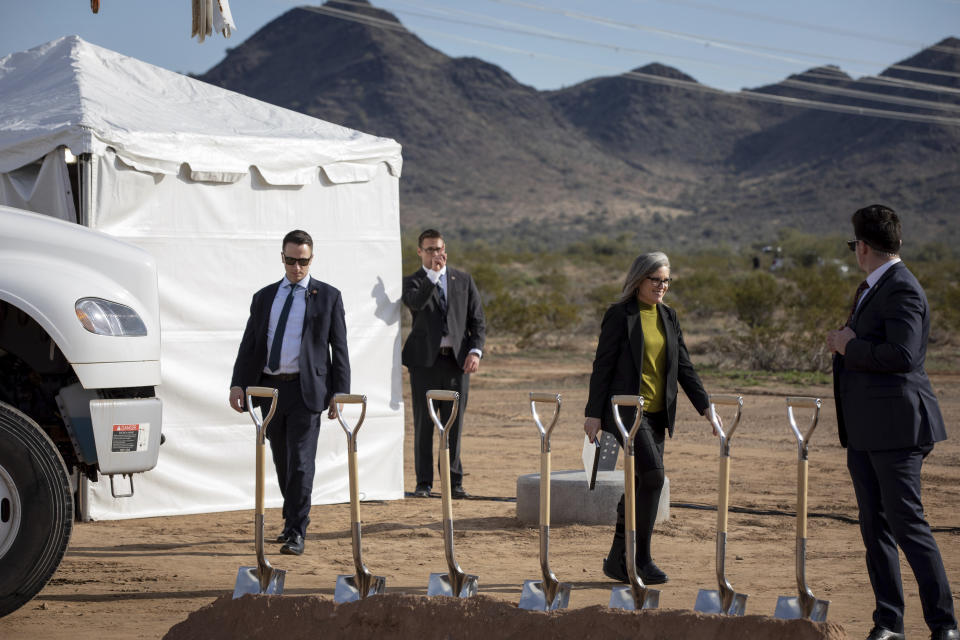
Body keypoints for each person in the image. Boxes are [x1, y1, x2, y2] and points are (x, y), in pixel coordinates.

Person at [827, 205, 957, 640]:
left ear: (863, 247)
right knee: (875, 526)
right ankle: (889, 621)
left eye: (853, 245)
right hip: (867, 429)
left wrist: (850, 346)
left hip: (899, 429)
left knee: (907, 525)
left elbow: (903, 356)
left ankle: (943, 625)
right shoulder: (874, 287)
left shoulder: (902, 289)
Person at [584, 251, 716, 585]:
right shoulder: (619, 314)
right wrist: (592, 413)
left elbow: (684, 366)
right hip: (626, 412)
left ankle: (617, 558)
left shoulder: (669, 316)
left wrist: (706, 407)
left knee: (641, 482)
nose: (661, 286)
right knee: (654, 477)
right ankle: (640, 558)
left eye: (666, 280)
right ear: (639, 279)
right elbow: (603, 366)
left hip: (657, 414)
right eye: (655, 279)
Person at [229, 229, 350, 556]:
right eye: (292, 260)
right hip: (269, 391)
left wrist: (340, 392)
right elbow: (250, 344)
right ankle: (289, 520)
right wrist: (238, 383)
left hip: (306, 391)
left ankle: (298, 530)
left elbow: (339, 349)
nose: (297, 267)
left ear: (312, 259)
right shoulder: (265, 296)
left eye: (304, 261)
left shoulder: (327, 296)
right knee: (282, 461)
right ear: (282, 258)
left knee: (300, 462)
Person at [402, 229, 486, 499]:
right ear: (419, 252)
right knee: (425, 424)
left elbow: (477, 321)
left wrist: (475, 351)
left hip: (457, 363)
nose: (434, 254)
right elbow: (415, 303)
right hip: (424, 364)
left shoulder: (463, 279)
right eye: (428, 249)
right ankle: (424, 483)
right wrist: (434, 276)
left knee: (454, 423)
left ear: (445, 249)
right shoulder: (412, 282)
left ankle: (454, 482)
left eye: (437, 249)